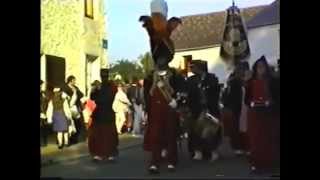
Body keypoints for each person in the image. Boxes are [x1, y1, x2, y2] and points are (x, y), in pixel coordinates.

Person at [143, 66, 185, 174]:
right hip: (156, 112)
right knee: (155, 136)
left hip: (170, 110)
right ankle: (154, 162)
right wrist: (148, 110)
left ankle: (172, 161)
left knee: (171, 135)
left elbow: (179, 91)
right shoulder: (150, 77)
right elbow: (148, 94)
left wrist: (177, 102)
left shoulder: (174, 75)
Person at [245, 56, 280, 173]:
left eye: (262, 67)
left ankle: (271, 163)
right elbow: (247, 99)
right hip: (255, 115)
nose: (260, 69)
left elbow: (277, 97)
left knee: (269, 139)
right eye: (258, 67)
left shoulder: (273, 81)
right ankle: (257, 164)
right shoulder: (250, 82)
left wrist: (270, 103)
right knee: (256, 139)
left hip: (269, 114)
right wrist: (252, 103)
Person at [186, 60, 222, 162]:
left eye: (193, 67)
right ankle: (198, 152)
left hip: (210, 108)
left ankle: (213, 151)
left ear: (199, 67)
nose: (191, 69)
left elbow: (215, 91)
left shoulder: (211, 78)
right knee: (196, 131)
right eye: (190, 67)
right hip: (196, 109)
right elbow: (189, 95)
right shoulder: (191, 80)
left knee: (211, 131)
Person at [88, 69, 119, 162]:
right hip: (99, 113)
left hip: (107, 111)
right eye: (102, 76)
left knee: (108, 134)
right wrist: (94, 89)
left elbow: (108, 98)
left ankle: (110, 154)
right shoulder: (99, 87)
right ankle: (98, 154)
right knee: (98, 135)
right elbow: (92, 97)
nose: (104, 78)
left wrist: (99, 90)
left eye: (105, 76)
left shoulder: (111, 87)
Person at [221, 64, 246, 155]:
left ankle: (242, 146)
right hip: (235, 107)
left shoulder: (241, 81)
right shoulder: (233, 82)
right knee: (235, 128)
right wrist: (228, 106)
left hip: (242, 106)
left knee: (241, 127)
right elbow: (228, 95)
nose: (242, 73)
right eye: (240, 71)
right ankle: (237, 147)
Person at [62, 75, 85, 145]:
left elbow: (81, 94)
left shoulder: (75, 88)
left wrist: (76, 92)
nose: (75, 82)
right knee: (69, 124)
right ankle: (68, 139)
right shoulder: (65, 87)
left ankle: (75, 138)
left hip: (76, 107)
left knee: (78, 123)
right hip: (68, 108)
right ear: (71, 80)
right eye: (74, 80)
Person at [40, 80, 49, 147]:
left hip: (44, 113)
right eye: (41, 85)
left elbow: (46, 102)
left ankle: (44, 142)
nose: (41, 86)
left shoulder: (43, 93)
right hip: (41, 113)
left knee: (44, 128)